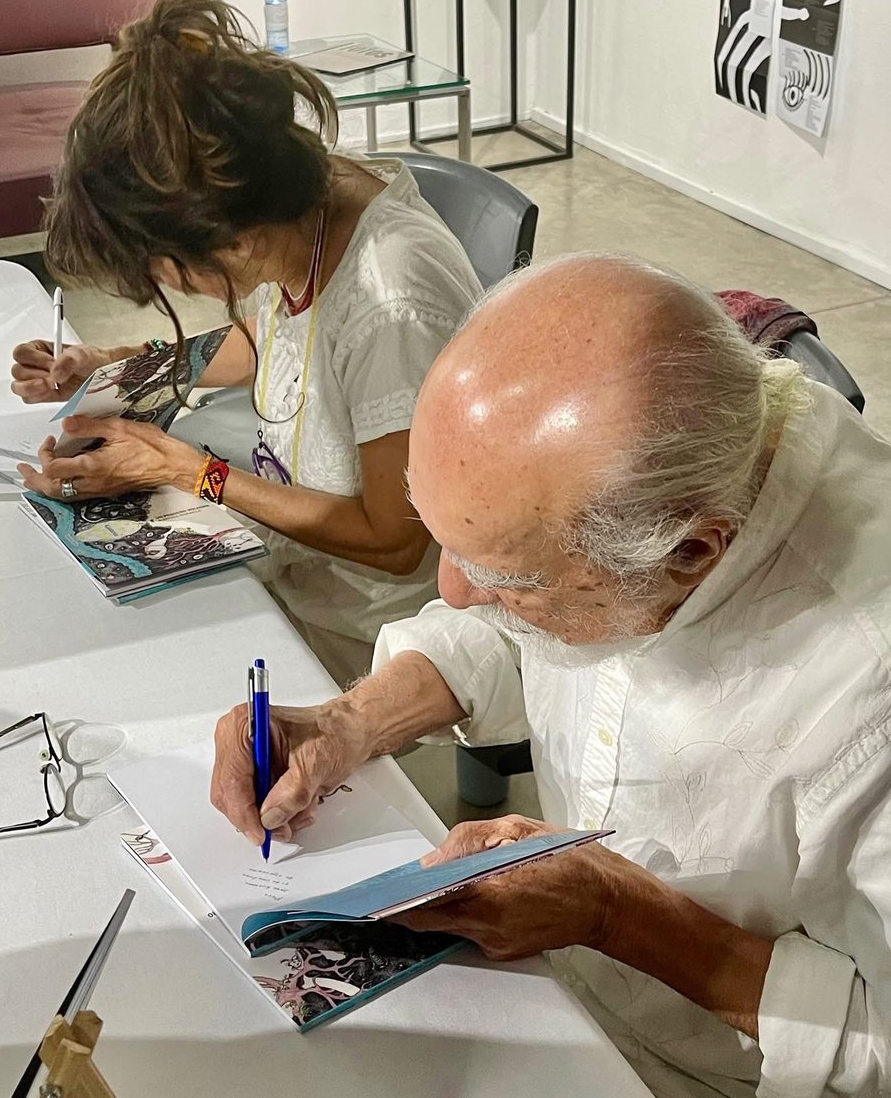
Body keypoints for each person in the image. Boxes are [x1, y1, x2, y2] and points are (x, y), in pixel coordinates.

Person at [211, 253, 891, 1097]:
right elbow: (522, 630)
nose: (451, 591)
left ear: (690, 552)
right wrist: (347, 724)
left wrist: (615, 913)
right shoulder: (636, 497)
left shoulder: (866, 687)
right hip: (556, 990)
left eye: (506, 580)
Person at [10, 0, 482, 686]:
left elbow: (394, 544)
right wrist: (114, 364)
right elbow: (270, 340)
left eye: (165, 272)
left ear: (233, 242)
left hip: (373, 638)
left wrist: (187, 471)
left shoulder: (392, 306)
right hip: (294, 571)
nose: (171, 289)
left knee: (127, 672)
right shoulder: (293, 203)